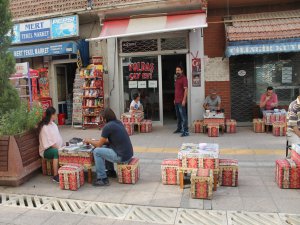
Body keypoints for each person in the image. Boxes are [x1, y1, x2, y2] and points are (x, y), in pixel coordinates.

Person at [84, 108, 133, 186]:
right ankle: (111, 171)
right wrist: (97, 141)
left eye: (101, 118)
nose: (101, 120)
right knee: (105, 146)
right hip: (128, 154)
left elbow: (98, 145)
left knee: (96, 151)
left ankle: (102, 178)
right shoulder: (118, 122)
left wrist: (89, 140)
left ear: (105, 118)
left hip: (121, 156)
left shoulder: (108, 126)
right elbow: (109, 141)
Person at [38, 107, 63, 183]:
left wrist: (63, 146)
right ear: (51, 115)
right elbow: (49, 143)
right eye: (55, 114)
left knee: (63, 150)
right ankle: (55, 176)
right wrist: (59, 149)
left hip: (56, 147)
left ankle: (63, 171)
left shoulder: (53, 124)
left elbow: (58, 137)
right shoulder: (45, 127)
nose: (56, 115)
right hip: (46, 150)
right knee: (56, 152)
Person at [173, 65, 189, 137]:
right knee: (178, 116)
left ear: (182, 71)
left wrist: (184, 100)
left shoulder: (184, 78)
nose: (177, 71)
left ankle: (185, 131)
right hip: (176, 100)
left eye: (179, 70)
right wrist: (174, 99)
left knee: (183, 116)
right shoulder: (176, 79)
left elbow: (186, 90)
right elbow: (177, 90)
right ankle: (179, 128)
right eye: (176, 70)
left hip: (181, 101)